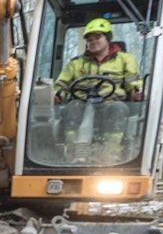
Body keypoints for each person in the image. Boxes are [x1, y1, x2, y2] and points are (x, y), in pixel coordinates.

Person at [53, 17, 143, 160]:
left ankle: (109, 153)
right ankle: (73, 153)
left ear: (108, 38)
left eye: (97, 37)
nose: (93, 42)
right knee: (72, 107)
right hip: (81, 103)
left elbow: (134, 83)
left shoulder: (125, 59)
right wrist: (56, 96)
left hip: (111, 102)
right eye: (89, 39)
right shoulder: (76, 63)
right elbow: (61, 85)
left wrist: (137, 93)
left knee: (119, 108)